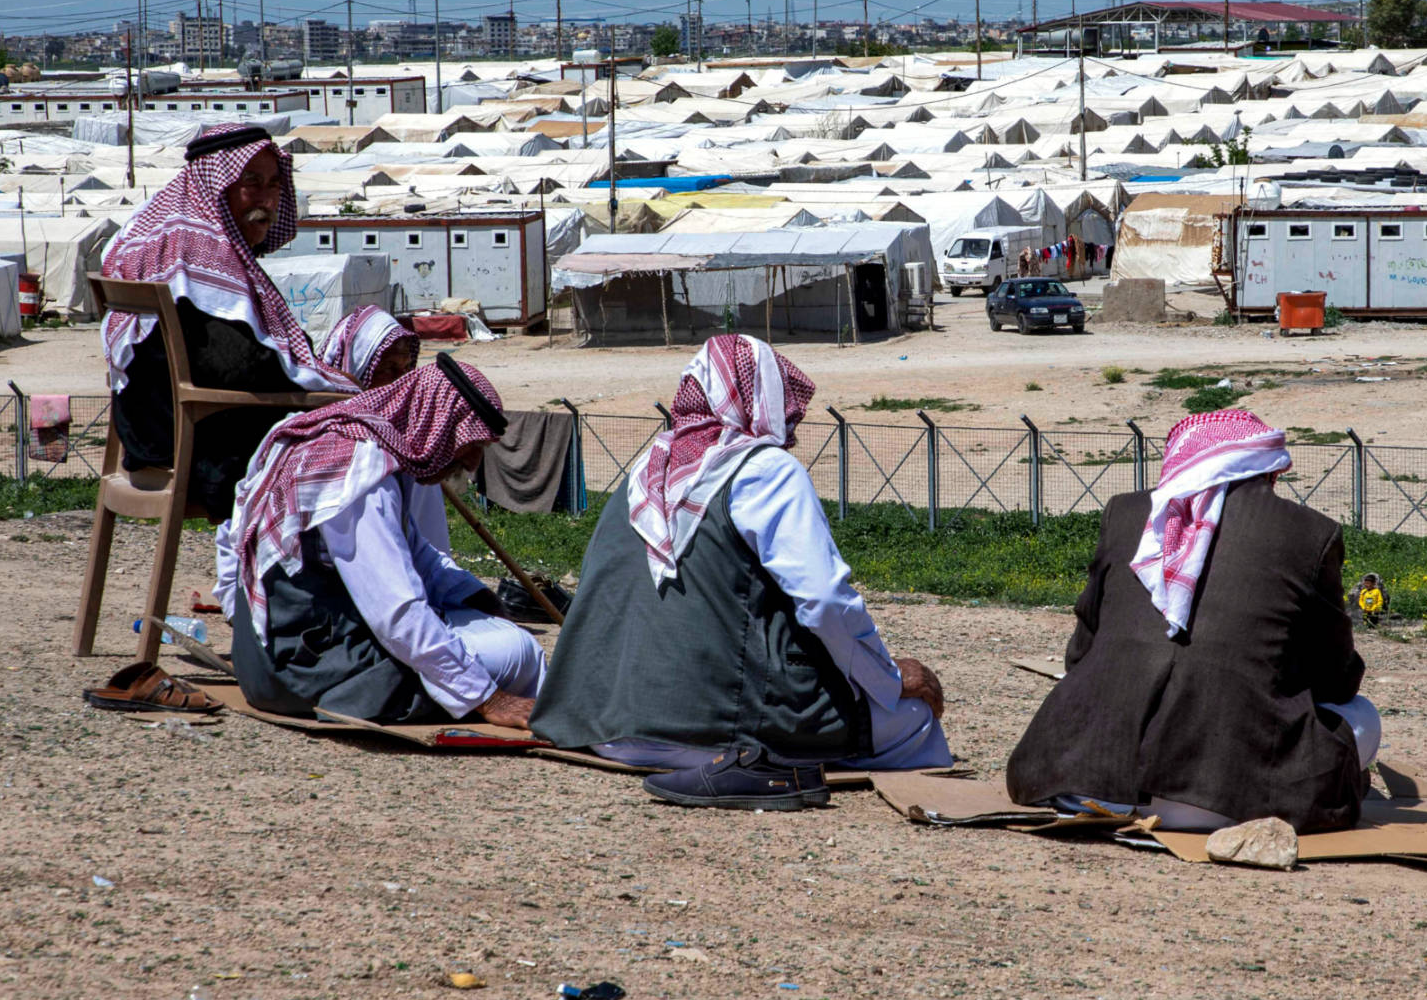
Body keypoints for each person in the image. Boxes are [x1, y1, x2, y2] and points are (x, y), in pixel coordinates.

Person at [530, 334, 950, 810]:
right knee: (915, 719)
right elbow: (825, 602)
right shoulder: (765, 471)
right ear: (760, 398)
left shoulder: (641, 472)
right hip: (713, 733)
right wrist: (888, 678)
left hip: (606, 727)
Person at [1005, 410, 1380, 833]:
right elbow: (1336, 679)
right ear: (1266, 472)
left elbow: (1080, 653)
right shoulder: (1311, 532)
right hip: (1226, 802)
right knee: (1362, 716)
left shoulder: (1125, 513)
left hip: (1081, 784)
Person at [222, 356, 543, 728]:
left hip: (267, 658)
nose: (472, 463)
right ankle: (572, 725)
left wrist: (477, 597)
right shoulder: (360, 470)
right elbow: (397, 611)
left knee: (493, 629)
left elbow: (415, 552)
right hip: (305, 671)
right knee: (519, 651)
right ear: (435, 424)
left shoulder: (349, 442)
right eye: (469, 442)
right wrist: (488, 698)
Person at [101, 123, 351, 520]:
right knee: (364, 449)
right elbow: (236, 364)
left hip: (155, 435)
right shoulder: (197, 254)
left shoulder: (157, 235)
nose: (266, 200)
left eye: (273, 184)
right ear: (214, 186)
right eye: (250, 182)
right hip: (197, 446)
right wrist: (322, 387)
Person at [319, 306, 448, 551]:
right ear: (357, 368)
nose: (400, 381)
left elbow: (427, 539)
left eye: (406, 369)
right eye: (388, 369)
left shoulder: (408, 446)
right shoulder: (317, 434)